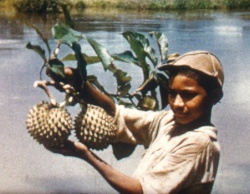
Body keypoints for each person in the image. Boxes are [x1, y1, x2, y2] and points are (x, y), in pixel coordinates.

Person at [46, 50, 224, 194]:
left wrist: (86, 155)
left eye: (188, 95)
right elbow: (116, 115)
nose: (176, 104)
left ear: (214, 97)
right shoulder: (169, 122)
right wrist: (79, 81)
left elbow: (141, 191)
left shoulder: (200, 143)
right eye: (172, 93)